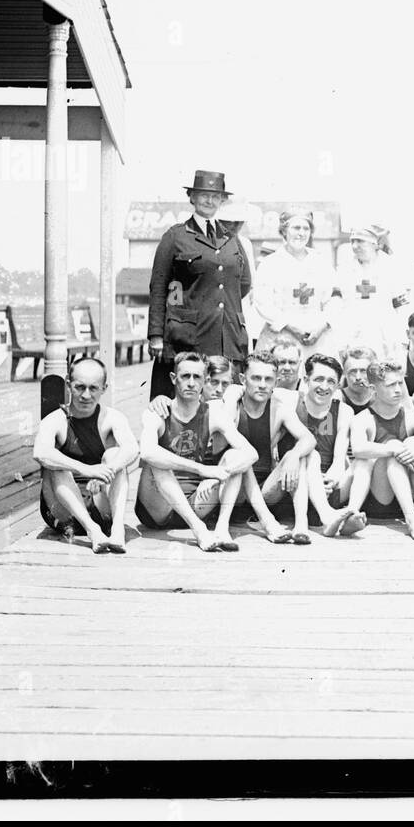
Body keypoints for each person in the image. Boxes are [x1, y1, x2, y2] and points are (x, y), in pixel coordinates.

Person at [135, 351, 258, 552]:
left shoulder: (213, 413)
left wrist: (219, 475)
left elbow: (251, 453)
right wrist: (202, 470)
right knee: (157, 461)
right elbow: (147, 452)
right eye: (185, 376)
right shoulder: (157, 412)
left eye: (197, 377)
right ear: (174, 379)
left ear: (205, 380)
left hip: (195, 501)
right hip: (157, 507)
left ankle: (221, 528)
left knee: (235, 456)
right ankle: (199, 530)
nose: (191, 383)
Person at [147, 170, 252, 400]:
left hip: (227, 336)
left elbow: (243, 283)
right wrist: (157, 334)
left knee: (225, 403)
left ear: (222, 200)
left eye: (215, 196)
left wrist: (217, 301)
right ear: (192, 197)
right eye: (203, 194)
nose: (209, 200)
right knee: (185, 403)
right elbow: (160, 288)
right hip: (188, 338)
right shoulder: (176, 237)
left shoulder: (231, 238)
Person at [33, 357, 140, 553]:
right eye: (79, 387)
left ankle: (117, 529)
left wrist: (107, 472)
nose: (86, 395)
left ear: (104, 388)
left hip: (99, 504)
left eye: (93, 388)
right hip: (63, 511)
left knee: (115, 454)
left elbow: (132, 448)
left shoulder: (112, 418)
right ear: (68, 385)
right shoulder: (55, 419)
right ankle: (92, 531)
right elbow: (40, 452)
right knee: (56, 463)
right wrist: (87, 469)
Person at [229, 351, 319, 545]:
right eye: (256, 378)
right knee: (241, 454)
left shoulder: (278, 408)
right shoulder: (233, 405)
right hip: (234, 492)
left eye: (268, 379)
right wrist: (229, 398)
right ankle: (268, 523)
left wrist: (294, 455)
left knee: (301, 454)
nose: (262, 384)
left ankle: (301, 524)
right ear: (243, 379)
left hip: (265, 491)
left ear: (276, 382)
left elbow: (308, 438)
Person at [345, 360, 414, 541]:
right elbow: (358, 449)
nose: (398, 390)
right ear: (373, 389)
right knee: (391, 452)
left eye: (400, 383)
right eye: (390, 385)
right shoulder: (362, 419)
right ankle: (412, 519)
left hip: (408, 494)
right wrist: (392, 448)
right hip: (380, 497)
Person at [283, 353, 367, 538]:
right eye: (318, 379)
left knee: (364, 462)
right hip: (294, 486)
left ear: (338, 384)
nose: (324, 386)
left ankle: (350, 513)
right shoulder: (291, 402)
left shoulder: (343, 411)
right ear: (305, 380)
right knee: (311, 454)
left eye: (331, 381)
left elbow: (339, 459)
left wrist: (333, 477)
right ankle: (326, 518)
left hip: (328, 487)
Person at [251, 207, 340, 363]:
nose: (301, 233)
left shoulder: (321, 262)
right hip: (282, 334)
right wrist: (291, 327)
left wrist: (321, 326)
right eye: (296, 228)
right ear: (284, 231)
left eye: (306, 228)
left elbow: (334, 298)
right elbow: (263, 302)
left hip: (316, 335)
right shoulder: (270, 263)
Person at [333, 226, 410, 362]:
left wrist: (402, 339)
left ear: (375, 244)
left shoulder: (391, 267)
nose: (355, 246)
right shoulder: (344, 269)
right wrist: (340, 339)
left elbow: (402, 307)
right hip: (352, 333)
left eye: (360, 241)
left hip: (384, 335)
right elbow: (338, 306)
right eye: (352, 241)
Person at [338, 347, 378, 413]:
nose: (358, 377)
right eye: (353, 371)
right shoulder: (335, 399)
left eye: (363, 371)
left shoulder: (382, 398)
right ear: (344, 373)